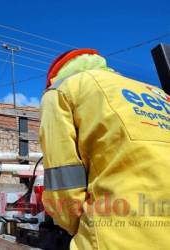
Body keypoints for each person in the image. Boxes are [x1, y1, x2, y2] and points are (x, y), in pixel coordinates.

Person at [39, 48, 170, 249]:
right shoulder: (158, 93)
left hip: (118, 236)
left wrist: (71, 225)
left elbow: (63, 180)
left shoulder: (60, 90)